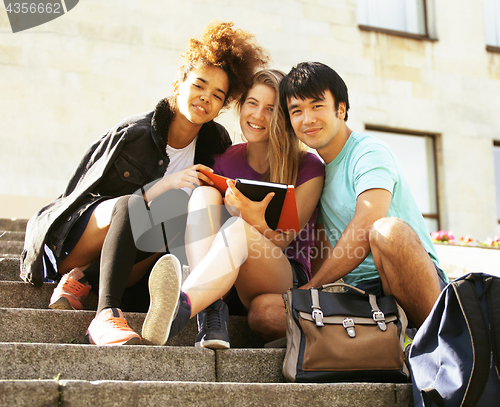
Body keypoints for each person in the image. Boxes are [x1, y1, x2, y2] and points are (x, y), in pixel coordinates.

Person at [20, 21, 268, 346]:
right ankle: (104, 315)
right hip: (83, 241)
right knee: (136, 204)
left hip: (129, 261)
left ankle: (85, 283)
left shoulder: (214, 144)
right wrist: (165, 185)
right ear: (178, 85)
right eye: (199, 85)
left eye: (217, 95)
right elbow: (81, 197)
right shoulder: (135, 133)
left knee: (189, 207)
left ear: (223, 106)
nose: (205, 98)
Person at [140, 69, 325, 347]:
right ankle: (212, 315)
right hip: (232, 276)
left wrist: (252, 217)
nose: (258, 116)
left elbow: (284, 239)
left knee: (238, 228)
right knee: (203, 195)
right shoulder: (226, 160)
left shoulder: (309, 167)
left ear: (284, 117)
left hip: (284, 274)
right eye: (252, 103)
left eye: (270, 109)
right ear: (241, 106)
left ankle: (182, 306)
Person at [271, 61, 448, 334]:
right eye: (297, 111)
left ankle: (436, 339)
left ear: (340, 109)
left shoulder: (368, 151)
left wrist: (312, 287)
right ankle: (392, 341)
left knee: (387, 231)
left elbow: (368, 223)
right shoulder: (316, 173)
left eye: (317, 106)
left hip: (412, 281)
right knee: (264, 313)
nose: (307, 119)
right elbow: (320, 245)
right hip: (360, 295)